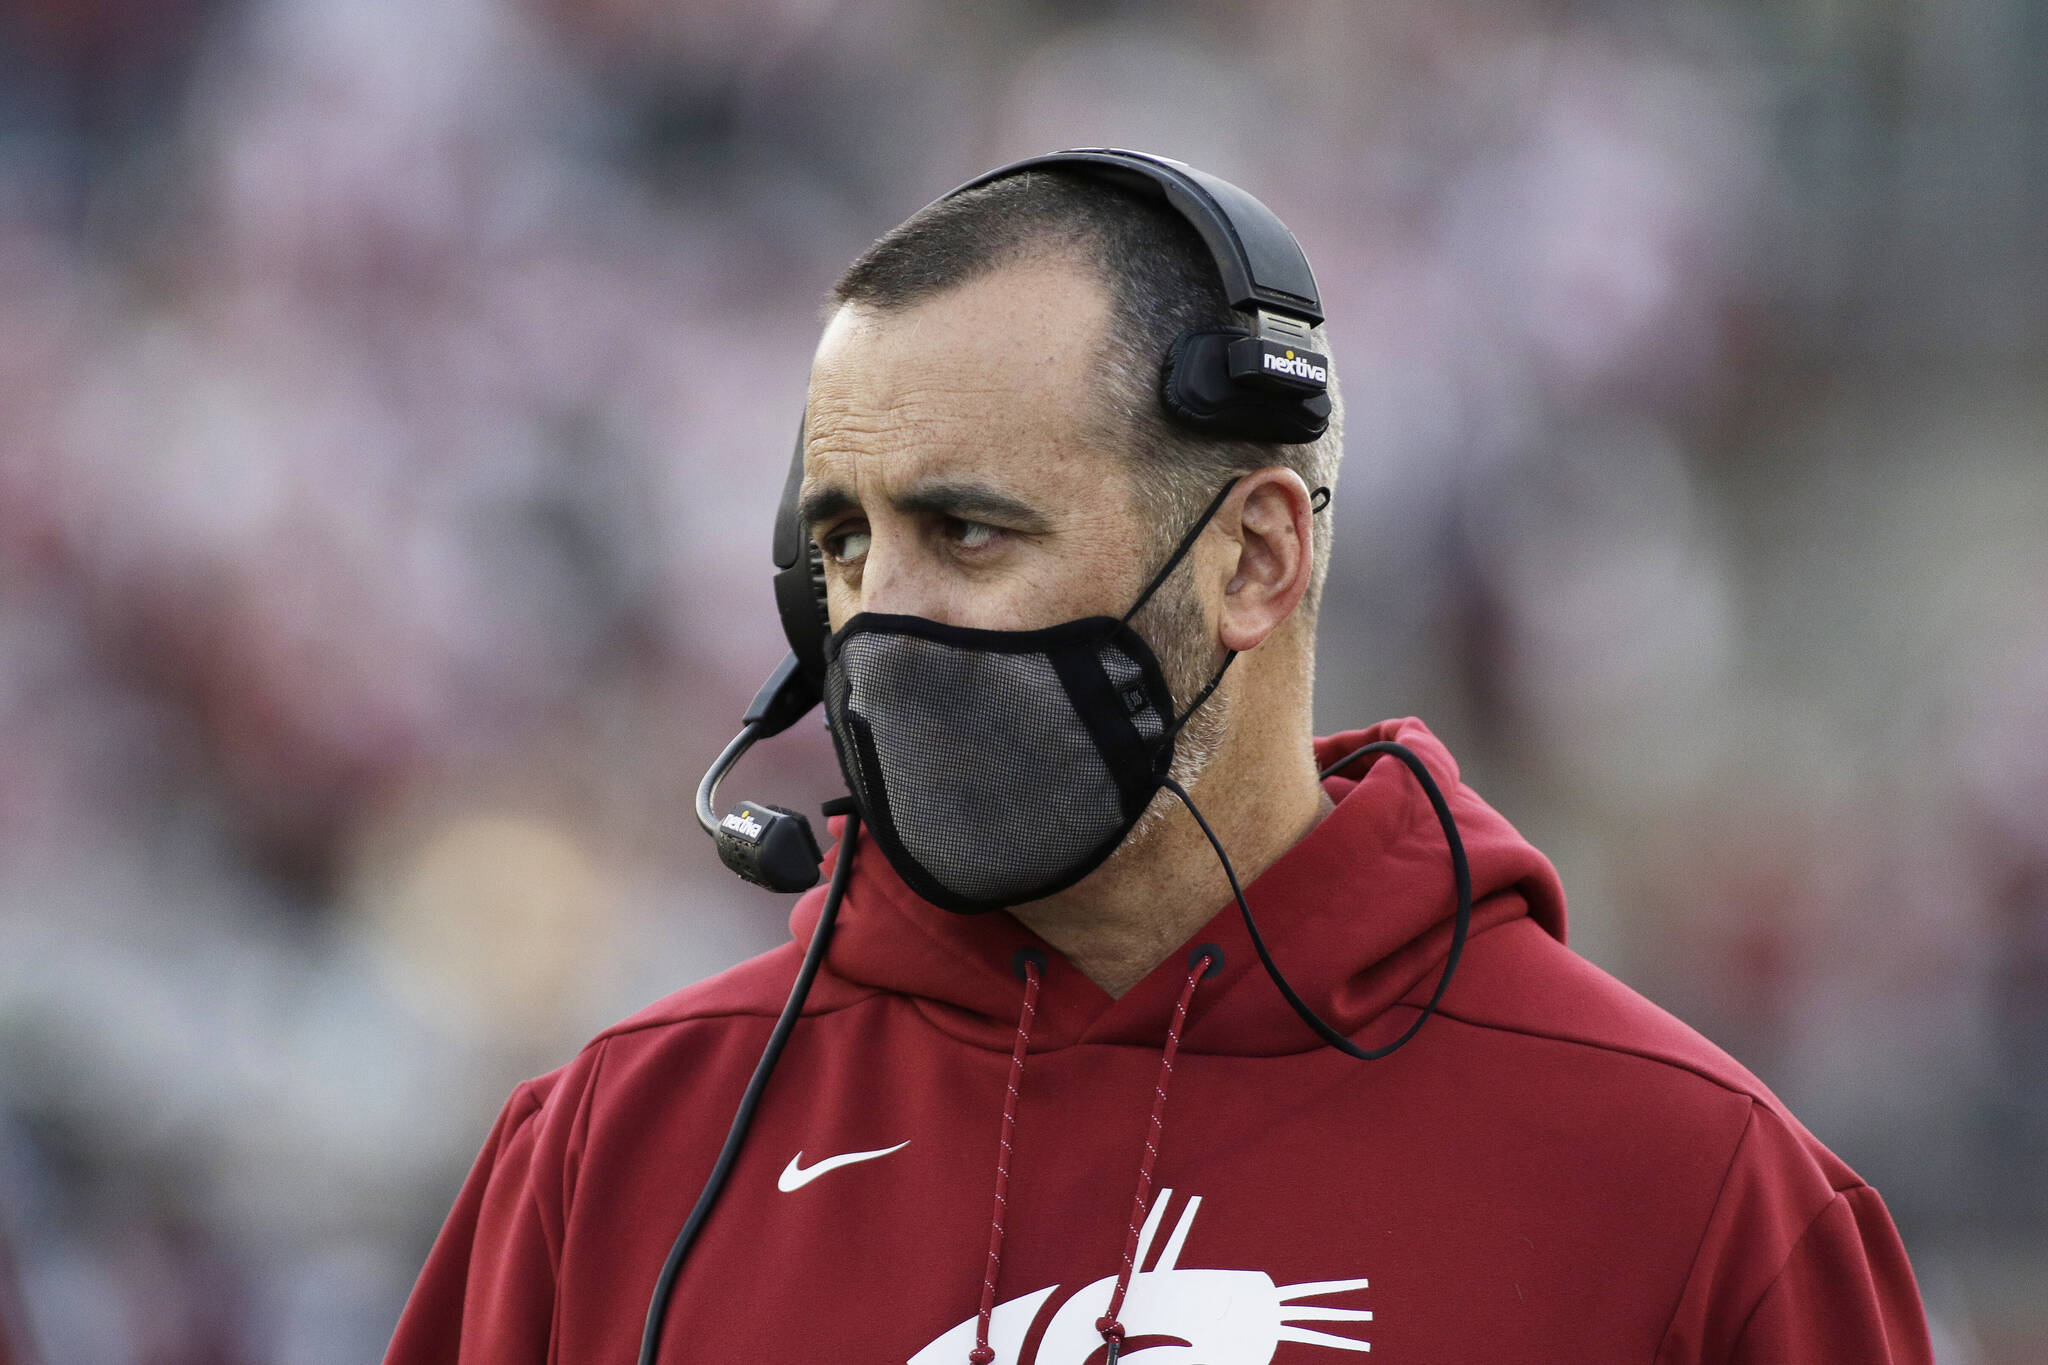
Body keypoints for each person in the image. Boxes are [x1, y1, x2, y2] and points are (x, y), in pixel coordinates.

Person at [384, 154, 1933, 1364]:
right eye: (844, 546)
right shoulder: (613, 1152)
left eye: (969, 529)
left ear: (1255, 558)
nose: (880, 625)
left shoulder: (1685, 1185)